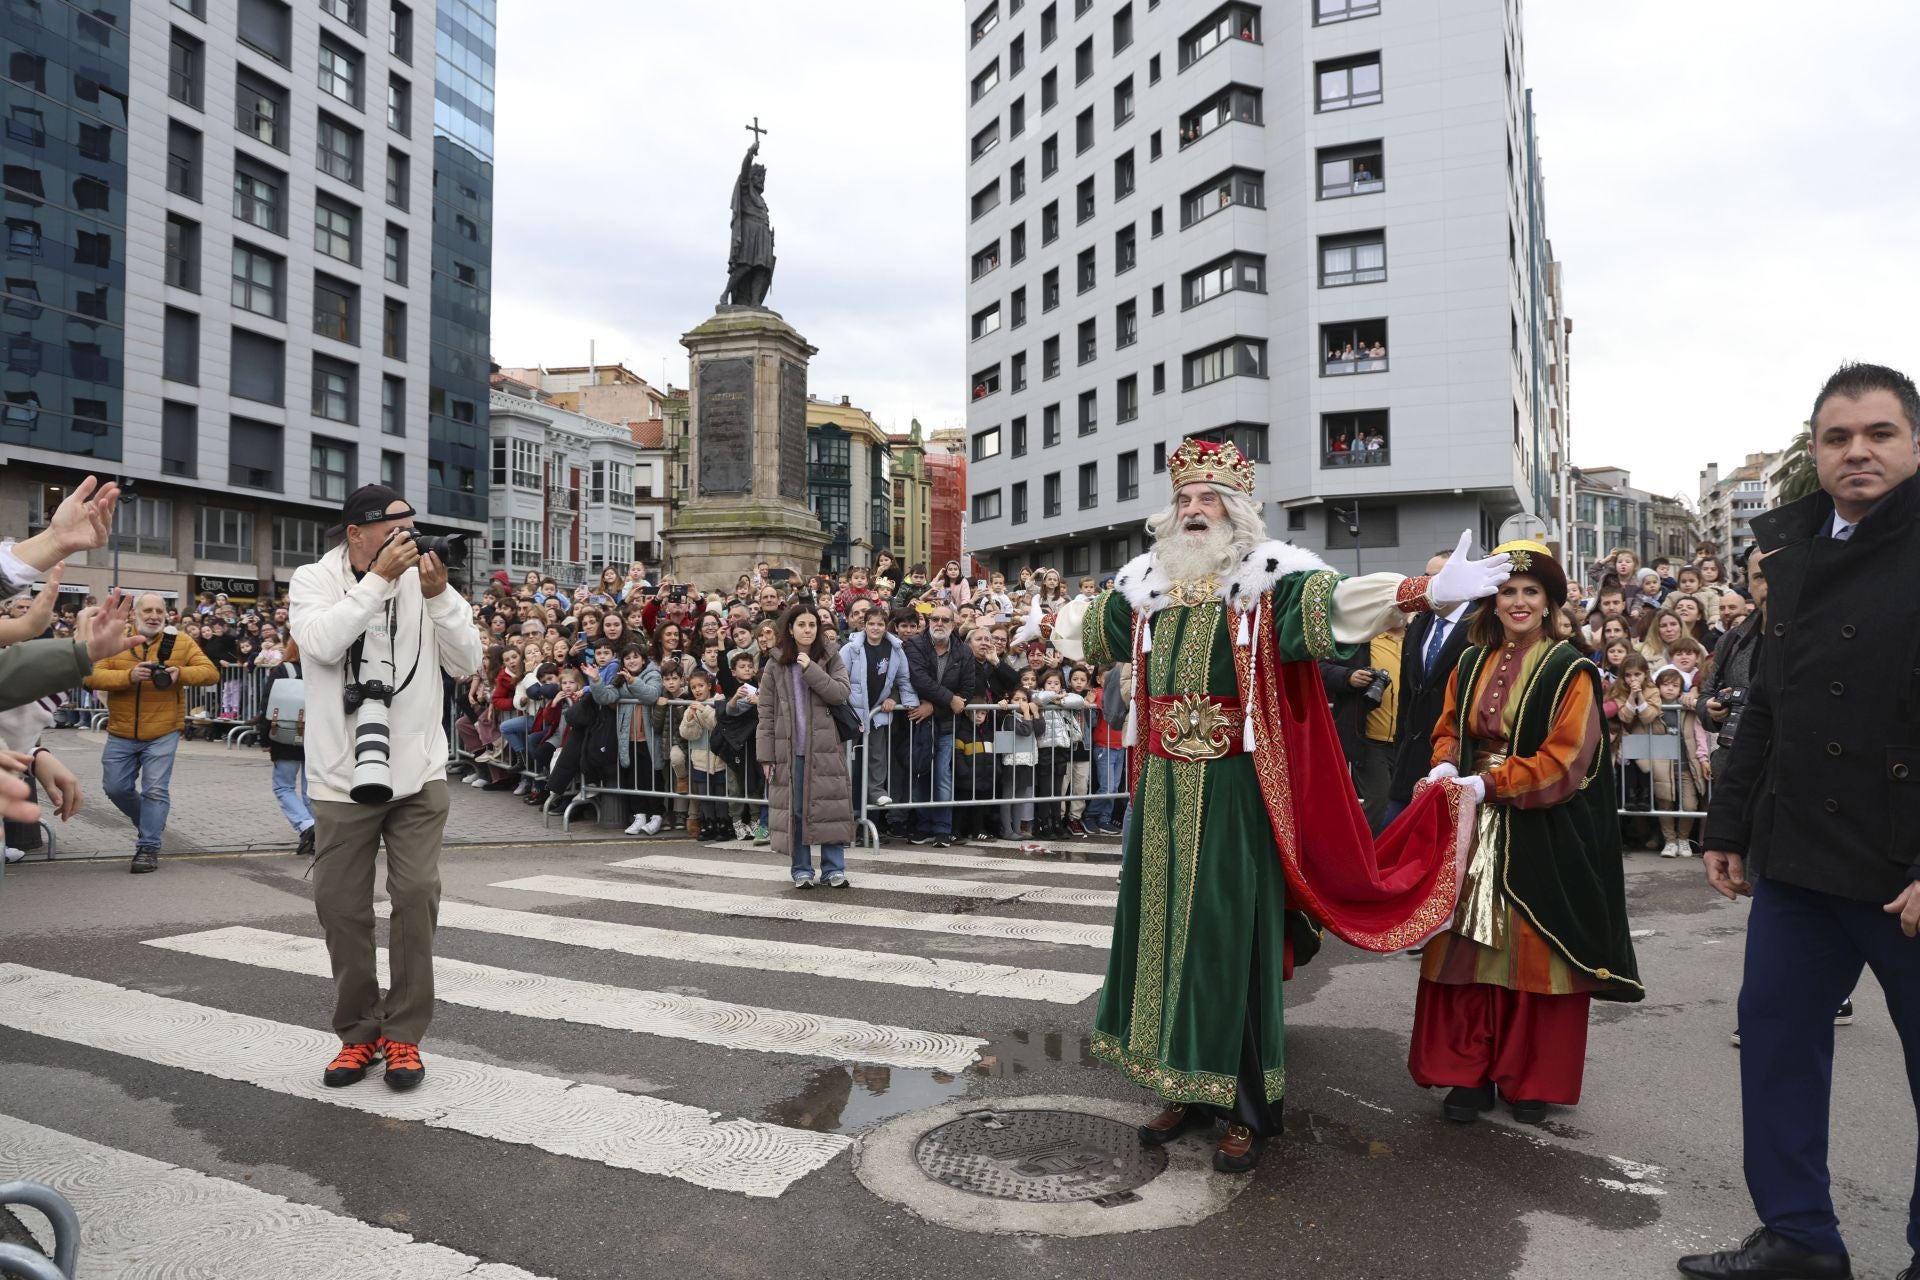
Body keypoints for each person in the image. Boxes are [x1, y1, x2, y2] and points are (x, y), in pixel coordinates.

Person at [1042, 437, 1511, 1173]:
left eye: (1211, 500)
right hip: (1162, 788)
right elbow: (1079, 631)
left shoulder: (1268, 580)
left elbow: (1334, 606)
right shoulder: (1146, 588)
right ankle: (1182, 1085)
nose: (1196, 511)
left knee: (1229, 942)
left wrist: (1420, 591)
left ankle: (1246, 1109)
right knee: (1162, 938)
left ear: (1238, 512)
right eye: (1186, 500)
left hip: (1232, 792)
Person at [1681, 363, 1920, 1280]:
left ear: (1911, 442)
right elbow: (1769, 705)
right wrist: (1727, 827)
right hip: (1796, 857)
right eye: (1837, 437)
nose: (1857, 451)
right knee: (1776, 1044)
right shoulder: (1790, 557)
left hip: (1904, 865)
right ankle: (1798, 1238)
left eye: (1879, 434)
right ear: (1816, 453)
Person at [1409, 541, 1643, 1127]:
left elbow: (1567, 759)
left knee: (1535, 955)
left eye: (1530, 592)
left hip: (1540, 827)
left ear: (1549, 602)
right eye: (1508, 591)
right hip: (1470, 823)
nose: (1517, 602)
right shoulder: (1467, 662)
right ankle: (1468, 1072)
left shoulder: (1572, 669)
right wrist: (1444, 763)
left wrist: (1492, 785)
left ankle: (1528, 1077)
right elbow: (1446, 729)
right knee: (1463, 950)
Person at [289, 485, 483, 1093]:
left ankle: (403, 1035)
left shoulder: (422, 585)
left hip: (418, 772)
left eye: (412, 526)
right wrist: (375, 583)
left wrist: (440, 596)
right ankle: (358, 1034)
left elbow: (467, 662)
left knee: (417, 896)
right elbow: (320, 644)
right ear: (358, 534)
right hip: (341, 777)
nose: (408, 538)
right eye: (396, 527)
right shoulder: (312, 579)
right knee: (341, 911)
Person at [81, 594, 219, 873]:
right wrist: (128, 677)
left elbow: (210, 673)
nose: (154, 615)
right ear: (134, 614)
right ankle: (150, 821)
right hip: (121, 729)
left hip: (163, 729)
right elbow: (89, 676)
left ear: (167, 615)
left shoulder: (180, 640)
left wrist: (181, 673)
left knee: (155, 789)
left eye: (160, 610)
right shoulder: (115, 638)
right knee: (115, 788)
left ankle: (148, 846)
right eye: (148, 610)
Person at [756, 603, 855, 889]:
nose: (808, 630)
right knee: (796, 811)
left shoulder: (831, 657)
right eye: (802, 624)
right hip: (790, 750)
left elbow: (840, 693)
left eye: (813, 624)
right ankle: (801, 869)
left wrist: (811, 668)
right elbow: (765, 712)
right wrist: (766, 755)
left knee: (830, 809)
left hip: (825, 748)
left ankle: (834, 869)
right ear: (790, 628)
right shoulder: (775, 664)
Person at [902, 603, 980, 848]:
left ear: (953, 625)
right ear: (928, 621)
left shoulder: (963, 652)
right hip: (919, 723)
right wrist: (948, 699)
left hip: (944, 723)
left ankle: (942, 829)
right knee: (921, 773)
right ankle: (923, 825)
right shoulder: (914, 644)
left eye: (945, 620)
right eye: (935, 618)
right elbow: (919, 680)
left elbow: (966, 691)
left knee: (943, 776)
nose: (939, 623)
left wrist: (935, 706)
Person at [840, 605, 917, 829]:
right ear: (864, 625)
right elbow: (839, 678)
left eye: (880, 624)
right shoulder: (850, 649)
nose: (875, 628)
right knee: (849, 760)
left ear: (886, 626)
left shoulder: (895, 649)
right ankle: (845, 805)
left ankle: (876, 791)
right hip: (853, 712)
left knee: (877, 754)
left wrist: (900, 699)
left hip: (877, 712)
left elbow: (902, 678)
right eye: (871, 624)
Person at [257, 637, 314, 857]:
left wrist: (264, 739)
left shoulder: (283, 670)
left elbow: (267, 706)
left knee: (283, 786)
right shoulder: (324, 670)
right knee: (311, 789)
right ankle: (317, 831)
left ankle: (306, 825)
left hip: (284, 736)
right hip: (315, 736)